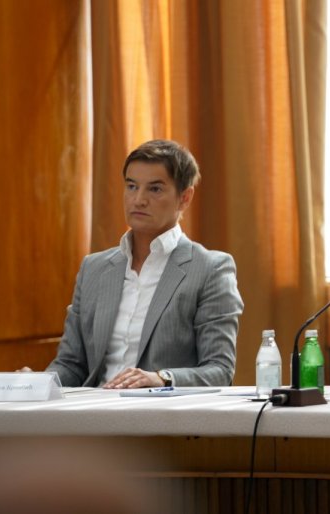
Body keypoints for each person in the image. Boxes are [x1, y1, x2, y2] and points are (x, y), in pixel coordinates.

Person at [31, 139, 243, 388]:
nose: (139, 199)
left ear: (184, 198)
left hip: (160, 410)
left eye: (155, 189)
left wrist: (161, 378)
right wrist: (35, 384)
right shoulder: (93, 268)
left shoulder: (210, 269)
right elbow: (71, 365)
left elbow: (219, 370)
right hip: (93, 407)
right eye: (132, 186)